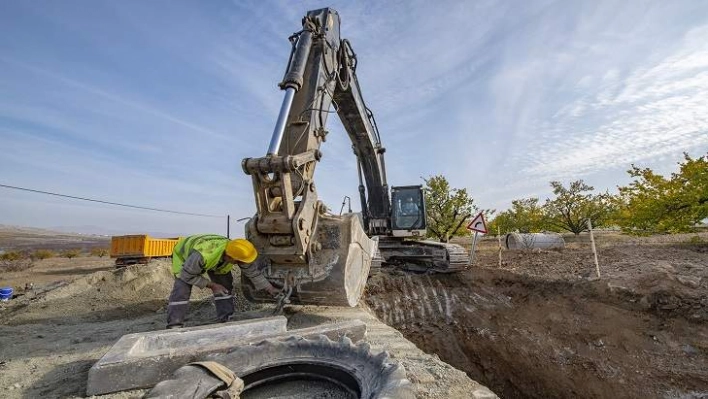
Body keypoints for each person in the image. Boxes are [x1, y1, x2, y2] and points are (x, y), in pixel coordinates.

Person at [167, 234, 280, 329]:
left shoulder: (234, 250)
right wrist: (212, 285)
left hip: (216, 259)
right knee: (182, 290)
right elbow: (187, 275)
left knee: (225, 287)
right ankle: (174, 325)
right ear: (230, 258)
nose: (241, 264)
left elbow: (252, 272)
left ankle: (226, 318)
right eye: (239, 262)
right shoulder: (202, 255)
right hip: (185, 257)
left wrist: (269, 287)